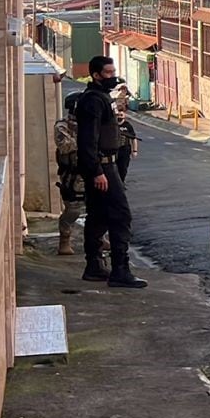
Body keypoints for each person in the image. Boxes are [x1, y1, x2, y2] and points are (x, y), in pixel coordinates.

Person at [75, 56, 147, 288]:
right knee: (120, 215)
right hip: (102, 166)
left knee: (98, 216)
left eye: (113, 71)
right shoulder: (93, 101)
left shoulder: (101, 97)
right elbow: (87, 140)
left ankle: (95, 266)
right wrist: (97, 171)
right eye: (107, 73)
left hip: (107, 165)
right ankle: (120, 270)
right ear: (96, 75)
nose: (112, 77)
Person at [55, 91, 85, 255]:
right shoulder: (62, 126)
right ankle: (64, 239)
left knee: (99, 206)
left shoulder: (90, 124)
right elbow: (66, 146)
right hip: (72, 175)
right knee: (73, 208)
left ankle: (99, 238)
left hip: (92, 171)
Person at [114, 90, 139, 182]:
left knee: (123, 168)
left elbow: (133, 138)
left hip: (125, 150)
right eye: (118, 115)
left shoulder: (128, 126)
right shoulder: (112, 125)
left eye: (121, 115)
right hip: (114, 150)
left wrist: (134, 150)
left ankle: (122, 182)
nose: (119, 117)